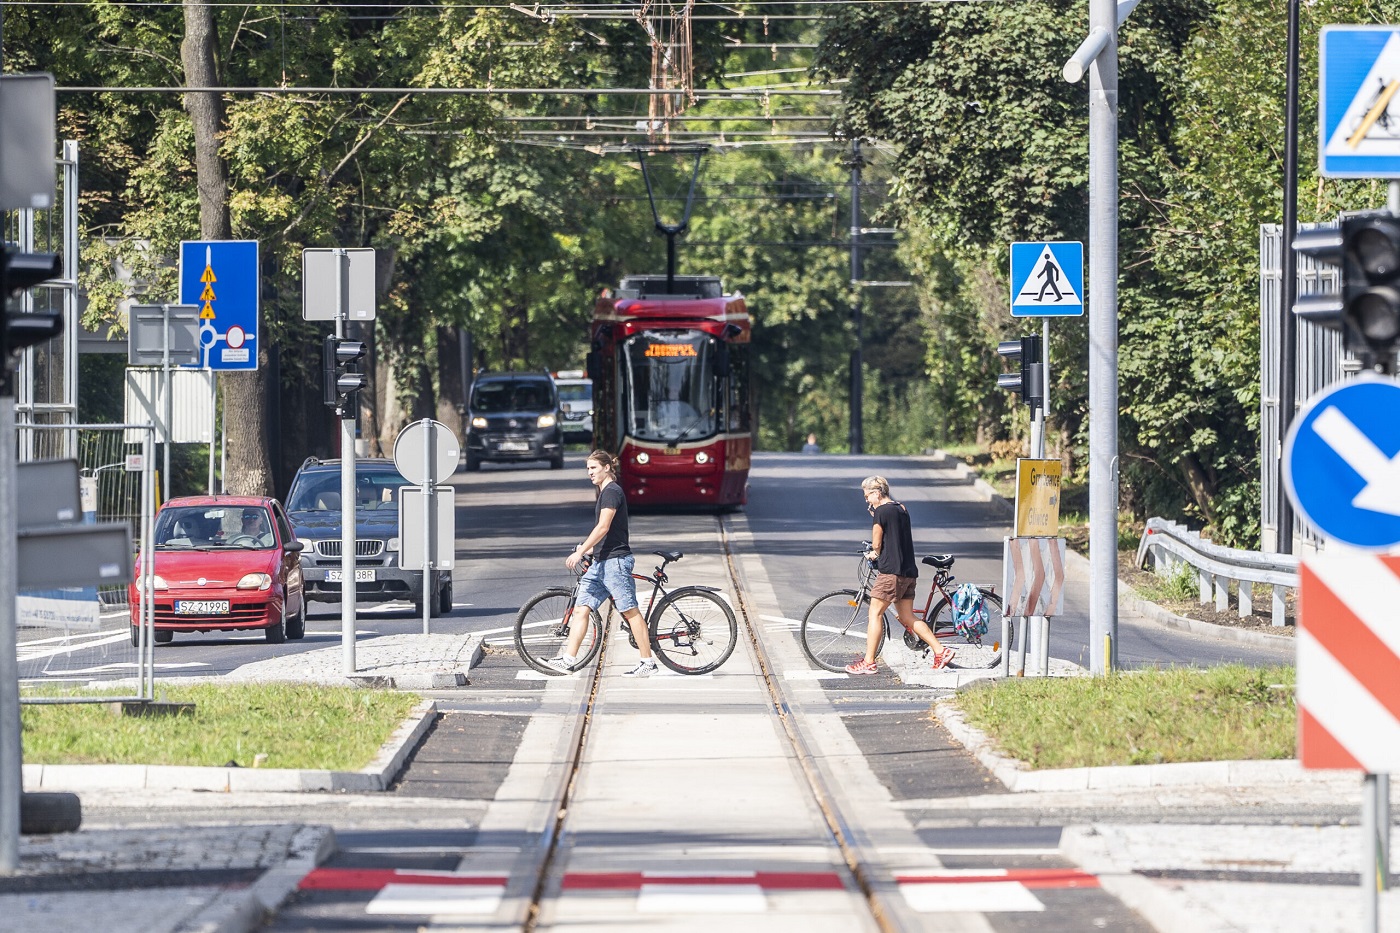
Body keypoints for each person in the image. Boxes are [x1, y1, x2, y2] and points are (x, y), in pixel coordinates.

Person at [548, 450, 658, 676]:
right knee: (581, 609)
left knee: (629, 612)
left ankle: (648, 662)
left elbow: (603, 527)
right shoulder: (604, 492)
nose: (589, 473)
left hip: (615, 562)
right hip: (600, 563)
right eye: (588, 469)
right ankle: (568, 660)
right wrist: (587, 548)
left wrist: (581, 552)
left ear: (607, 467)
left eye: (593, 468)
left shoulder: (611, 493)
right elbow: (601, 532)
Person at [846, 475, 954, 674]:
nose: (866, 500)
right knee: (907, 616)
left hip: (891, 573)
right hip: (908, 572)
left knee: (875, 614)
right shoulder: (900, 508)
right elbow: (894, 532)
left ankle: (868, 662)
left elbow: (877, 544)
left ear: (877, 493)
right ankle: (940, 650)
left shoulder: (881, 512)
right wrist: (877, 517)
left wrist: (873, 553)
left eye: (867, 495)